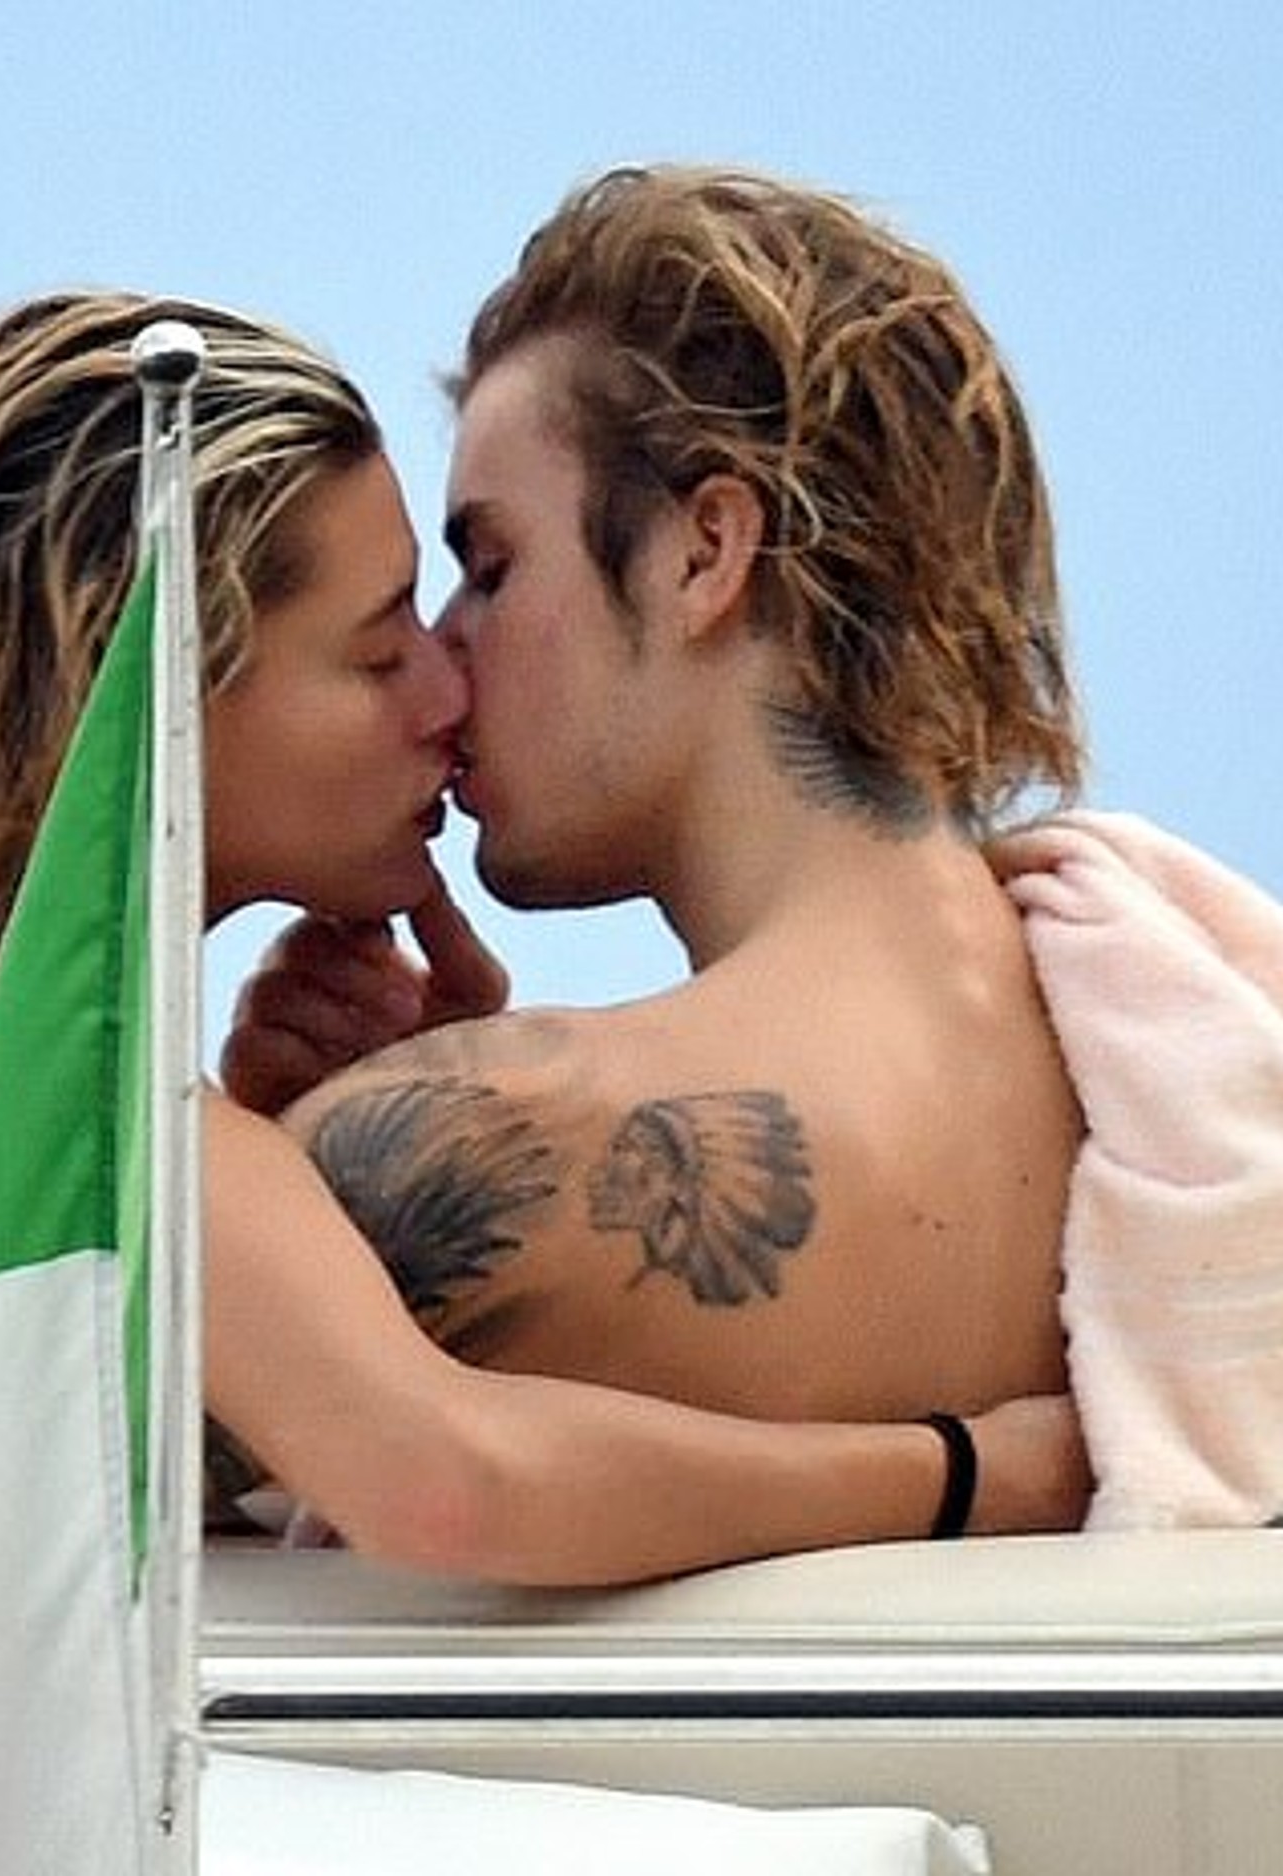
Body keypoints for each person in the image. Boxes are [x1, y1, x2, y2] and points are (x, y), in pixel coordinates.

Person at [0, 286, 1089, 1577]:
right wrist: (965, 1473)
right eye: (380, 650)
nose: (446, 689)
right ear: (158, 689)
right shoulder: (107, 1123)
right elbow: (445, 1479)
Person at [223, 165, 1087, 1440]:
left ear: (702, 553)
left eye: (491, 568)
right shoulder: (1191, 1113)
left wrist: (274, 1165)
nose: (444, 657)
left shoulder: (485, 1137)